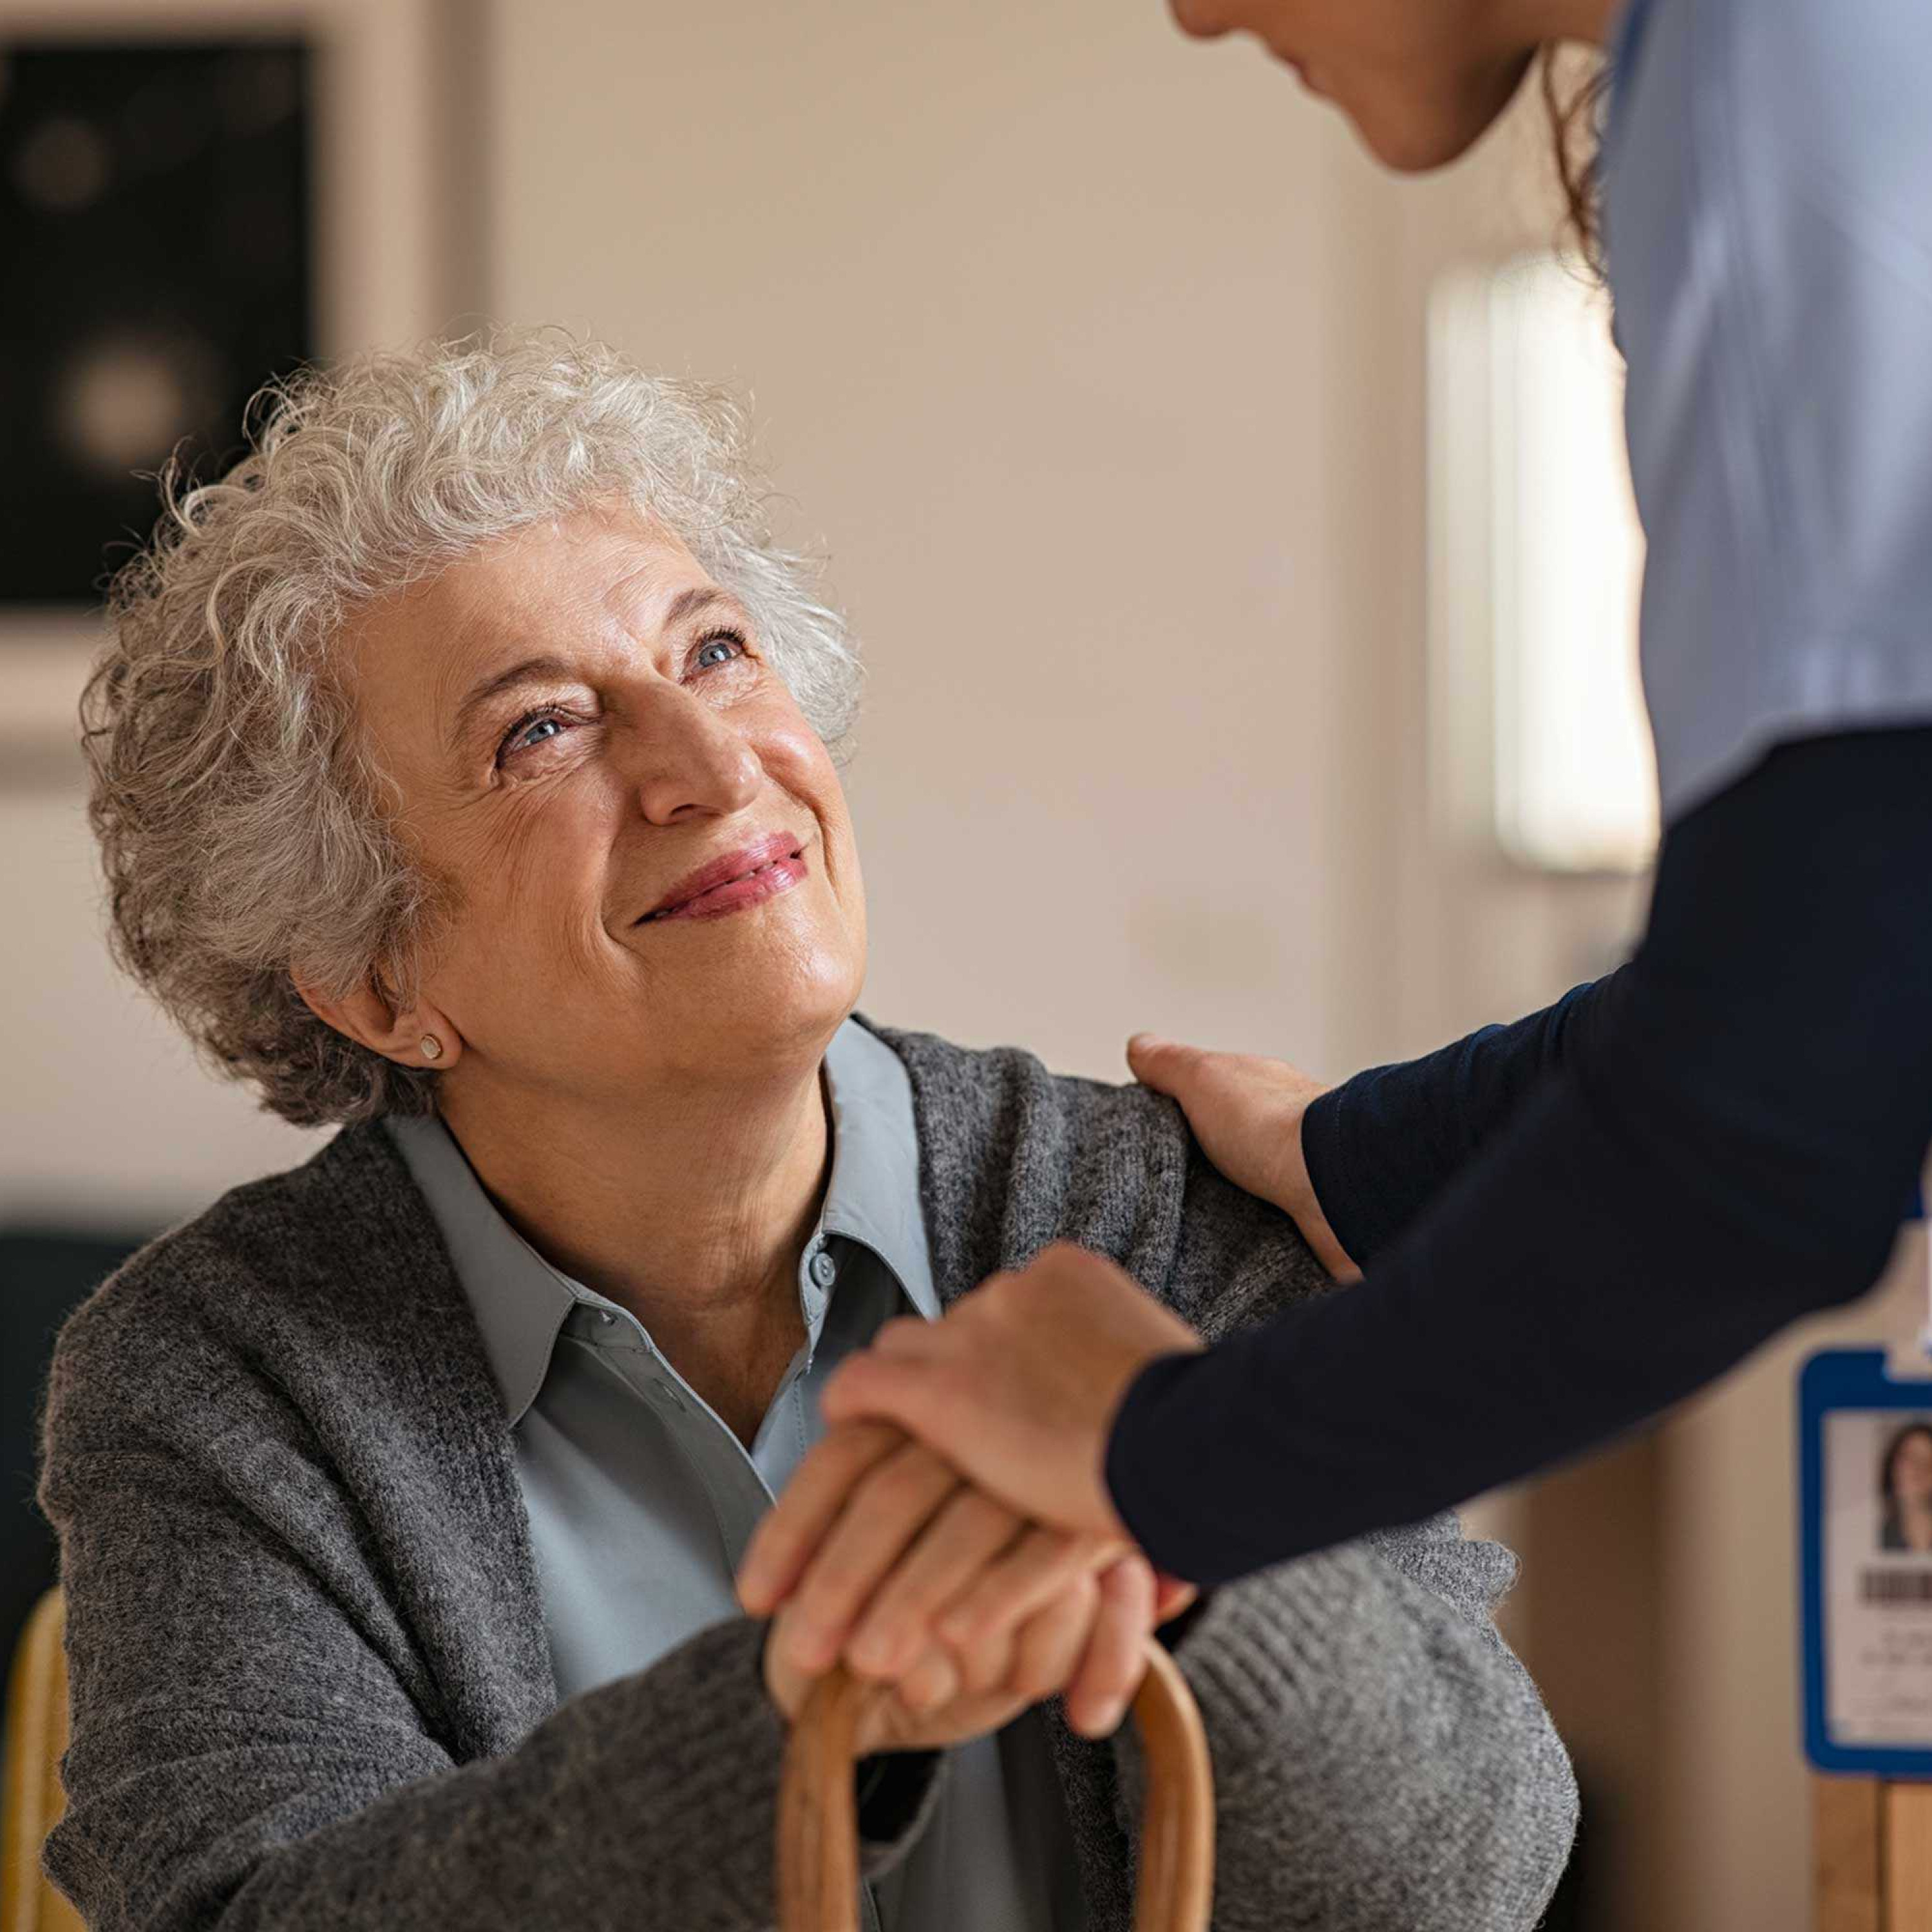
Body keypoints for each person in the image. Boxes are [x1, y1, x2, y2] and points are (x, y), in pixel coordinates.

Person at [36, 331, 1577, 1932]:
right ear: (373, 980)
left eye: (713, 652)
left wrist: (1186, 1468)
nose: (711, 764)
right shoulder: (222, 1374)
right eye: (539, 732)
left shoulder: (1148, 1221)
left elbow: (1457, 1878)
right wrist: (808, 1705)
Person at [738, 0, 1932, 1652]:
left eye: (720, 653)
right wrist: (1373, 1155)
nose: (1195, 9)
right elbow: (1863, 977)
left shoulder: (1778, 69)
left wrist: (1153, 1453)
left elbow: (1773, 1137)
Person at [1880, 1425, 1932, 1555]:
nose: (1919, 1470)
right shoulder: (1880, 1537)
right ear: (1892, 1467)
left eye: (1929, 1461)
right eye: (1910, 1458)